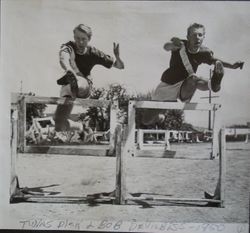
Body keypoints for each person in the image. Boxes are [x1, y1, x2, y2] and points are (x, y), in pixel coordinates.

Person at [142, 23, 244, 127]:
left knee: (194, 78)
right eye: (194, 35)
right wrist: (173, 44)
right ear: (188, 37)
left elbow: (215, 61)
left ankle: (214, 83)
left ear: (204, 37)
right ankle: (160, 116)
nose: (197, 38)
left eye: (200, 35)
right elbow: (166, 46)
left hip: (186, 86)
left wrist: (232, 65)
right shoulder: (180, 45)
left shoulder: (205, 53)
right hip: (168, 85)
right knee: (146, 120)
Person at [54, 24, 124, 139]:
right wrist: (68, 69)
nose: (80, 42)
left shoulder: (93, 52)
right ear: (74, 37)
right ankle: (80, 127)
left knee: (80, 82)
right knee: (59, 124)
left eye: (83, 39)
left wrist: (117, 56)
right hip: (68, 86)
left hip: (84, 86)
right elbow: (63, 58)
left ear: (89, 39)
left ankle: (75, 82)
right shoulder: (69, 47)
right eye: (77, 38)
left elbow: (120, 66)